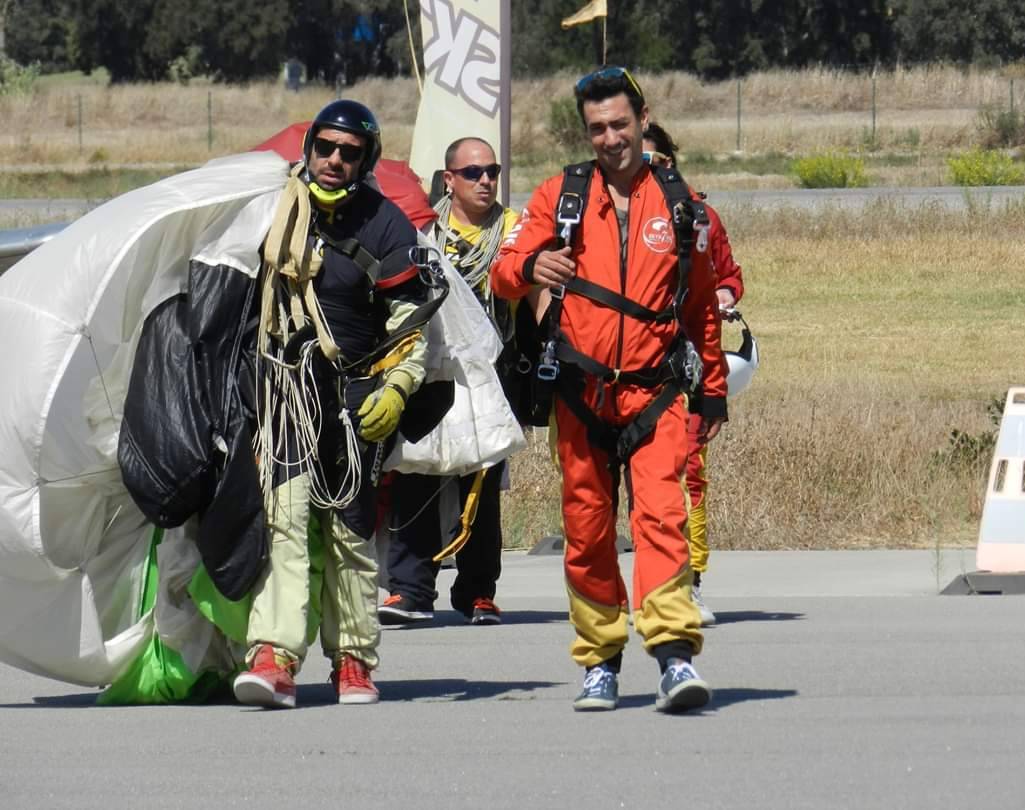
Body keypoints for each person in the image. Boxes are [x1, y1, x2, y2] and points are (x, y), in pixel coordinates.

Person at [491, 67, 729, 713]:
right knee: (588, 531)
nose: (610, 138)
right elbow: (503, 270)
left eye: (620, 124)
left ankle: (674, 656)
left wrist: (711, 391)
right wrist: (532, 265)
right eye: (597, 128)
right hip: (580, 396)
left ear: (643, 118)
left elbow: (702, 304)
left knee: (662, 520)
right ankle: (599, 660)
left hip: (656, 396)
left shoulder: (684, 205)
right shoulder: (558, 195)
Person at [232, 99, 430, 708]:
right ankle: (275, 656)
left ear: (364, 159)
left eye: (349, 152)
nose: (334, 160)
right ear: (309, 147)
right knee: (283, 522)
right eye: (326, 147)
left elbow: (413, 324)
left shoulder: (385, 224)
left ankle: (352, 660)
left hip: (352, 396)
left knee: (348, 532)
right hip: (282, 390)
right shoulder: (269, 208)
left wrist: (399, 387)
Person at [379, 137, 518, 626]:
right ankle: (410, 589)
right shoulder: (425, 233)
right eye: (474, 173)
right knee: (417, 473)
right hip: (433, 371)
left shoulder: (514, 231)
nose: (486, 181)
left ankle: (478, 591)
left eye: (492, 172)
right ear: (449, 180)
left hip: (490, 376)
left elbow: (524, 283)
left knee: (480, 481)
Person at [642, 122, 745, 627]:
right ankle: (647, 583)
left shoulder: (700, 217)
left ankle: (690, 582)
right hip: (622, 370)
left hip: (682, 369)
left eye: (656, 162)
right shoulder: (601, 214)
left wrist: (724, 295)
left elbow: (726, 275)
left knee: (689, 477)